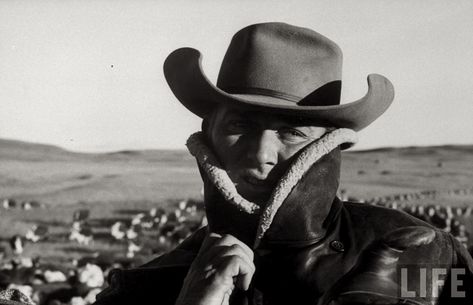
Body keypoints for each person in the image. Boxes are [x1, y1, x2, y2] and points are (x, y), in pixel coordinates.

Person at [94, 22, 473, 305]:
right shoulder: (145, 288)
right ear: (208, 135)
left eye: (292, 133)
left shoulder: (424, 256)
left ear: (327, 146)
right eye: (240, 125)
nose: (261, 154)